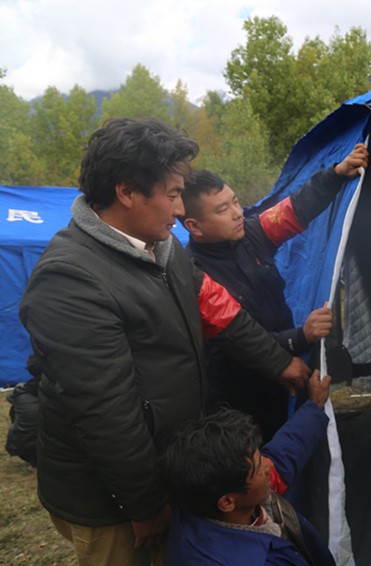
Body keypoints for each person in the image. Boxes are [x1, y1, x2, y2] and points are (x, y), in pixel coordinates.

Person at [18, 117, 311, 566]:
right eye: (172, 195)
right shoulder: (71, 279)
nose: (178, 209)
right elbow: (106, 412)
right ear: (126, 192)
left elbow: (220, 312)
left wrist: (279, 361)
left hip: (164, 470)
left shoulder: (160, 248)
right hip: (112, 501)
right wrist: (145, 504)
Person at [161, 372, 371, 566]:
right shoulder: (252, 561)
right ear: (227, 502)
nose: (267, 466)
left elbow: (281, 457)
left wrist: (314, 407)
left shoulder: (204, 500)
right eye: (258, 467)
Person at [179, 144, 368, 441]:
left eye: (235, 202)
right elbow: (230, 347)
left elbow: (297, 207)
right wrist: (300, 336)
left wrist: (336, 173)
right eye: (222, 210)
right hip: (238, 396)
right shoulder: (195, 276)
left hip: (284, 374)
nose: (237, 213)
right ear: (194, 226)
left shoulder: (251, 234)